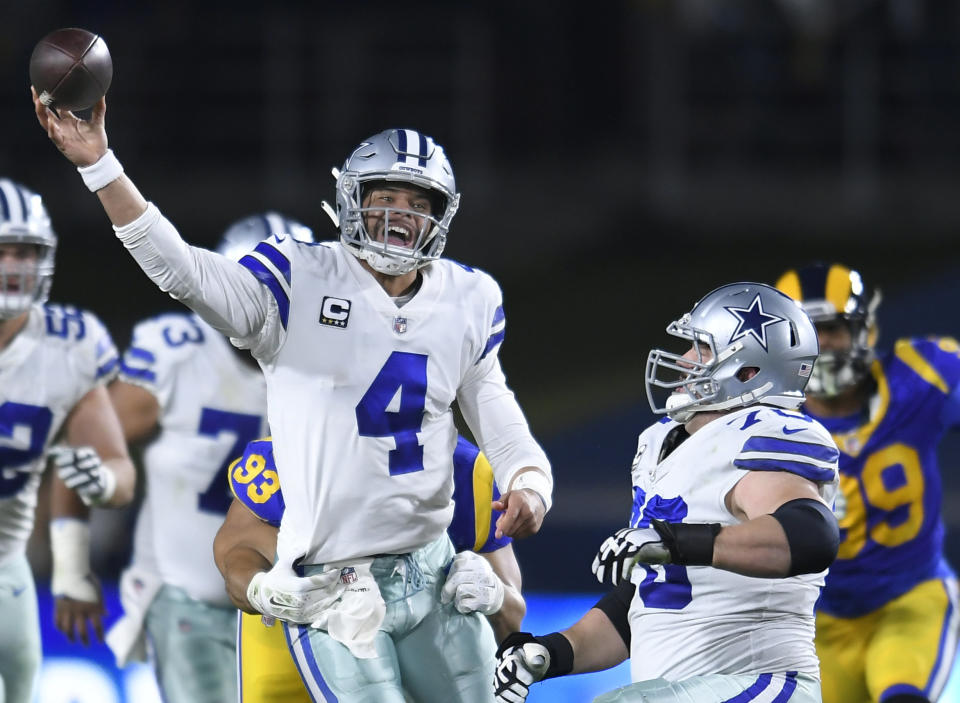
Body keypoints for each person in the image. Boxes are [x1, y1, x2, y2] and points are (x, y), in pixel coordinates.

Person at [33, 94, 552, 703]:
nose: (399, 216)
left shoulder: (469, 298)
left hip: (434, 566)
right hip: (335, 583)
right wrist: (101, 167)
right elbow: (183, 272)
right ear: (352, 200)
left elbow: (496, 409)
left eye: (417, 204)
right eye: (384, 198)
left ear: (441, 217)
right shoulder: (298, 277)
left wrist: (531, 479)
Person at [493, 282, 840, 703]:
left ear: (749, 372)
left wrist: (674, 541)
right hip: (689, 691)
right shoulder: (660, 444)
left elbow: (809, 533)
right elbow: (645, 601)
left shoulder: (756, 432)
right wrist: (551, 653)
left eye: (703, 349)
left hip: (760, 681)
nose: (685, 360)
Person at [103, 212, 313, 703]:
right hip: (186, 595)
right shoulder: (180, 351)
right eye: (252, 286)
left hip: (284, 603)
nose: (265, 303)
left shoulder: (324, 368)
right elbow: (97, 444)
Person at [213, 434, 525, 703]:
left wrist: (494, 595)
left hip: (425, 650)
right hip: (297, 645)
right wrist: (261, 588)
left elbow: (512, 619)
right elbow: (235, 549)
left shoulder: (469, 472)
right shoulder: (291, 457)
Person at [775, 263, 960, 703]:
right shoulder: (766, 420)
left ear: (864, 329)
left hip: (910, 599)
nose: (822, 346)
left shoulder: (923, 375)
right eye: (807, 332)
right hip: (813, 619)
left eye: (834, 328)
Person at [0, 177, 135, 703]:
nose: (13, 266)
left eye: (25, 252)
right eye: (1, 251)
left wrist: (100, 481)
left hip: (6, 561)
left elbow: (119, 472)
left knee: (21, 678)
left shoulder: (67, 344)